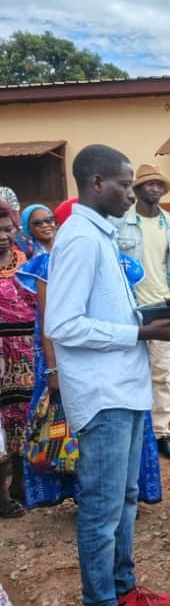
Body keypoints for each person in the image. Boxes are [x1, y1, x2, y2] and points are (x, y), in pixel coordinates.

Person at [46, 144, 170, 606]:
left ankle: (123, 592)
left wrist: (150, 318)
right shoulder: (78, 239)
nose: (131, 194)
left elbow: (108, 310)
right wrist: (138, 330)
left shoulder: (103, 234)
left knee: (126, 499)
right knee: (102, 509)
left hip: (126, 389)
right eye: (124, 185)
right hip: (103, 394)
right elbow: (63, 324)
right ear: (96, 183)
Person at [17, 200, 162, 510]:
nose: (47, 226)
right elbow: (53, 324)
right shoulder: (50, 263)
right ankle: (92, 498)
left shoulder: (112, 255)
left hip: (120, 366)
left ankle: (121, 498)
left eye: (50, 220)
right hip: (75, 363)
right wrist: (53, 370)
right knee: (75, 432)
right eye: (39, 222)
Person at [114, 164, 170, 462]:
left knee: (161, 374)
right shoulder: (121, 222)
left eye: (159, 184)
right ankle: (135, 432)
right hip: (131, 310)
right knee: (129, 371)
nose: (154, 189)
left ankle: (161, 432)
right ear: (137, 189)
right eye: (148, 184)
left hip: (164, 306)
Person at [0, 204, 35, 518]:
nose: (2, 236)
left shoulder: (28, 260)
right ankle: (2, 495)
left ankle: (22, 484)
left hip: (26, 350)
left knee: (23, 416)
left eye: (7, 229)